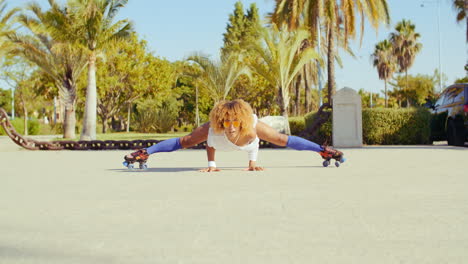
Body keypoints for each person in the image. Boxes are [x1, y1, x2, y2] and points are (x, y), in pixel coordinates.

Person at [123, 99, 345, 171]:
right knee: (186, 141)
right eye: (226, 122)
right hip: (210, 132)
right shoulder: (215, 128)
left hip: (252, 133)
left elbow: (253, 143)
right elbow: (210, 144)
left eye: (234, 122)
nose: (230, 126)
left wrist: (252, 163)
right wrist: (211, 163)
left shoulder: (252, 127)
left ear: (243, 121)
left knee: (280, 139)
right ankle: (145, 153)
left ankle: (322, 150)